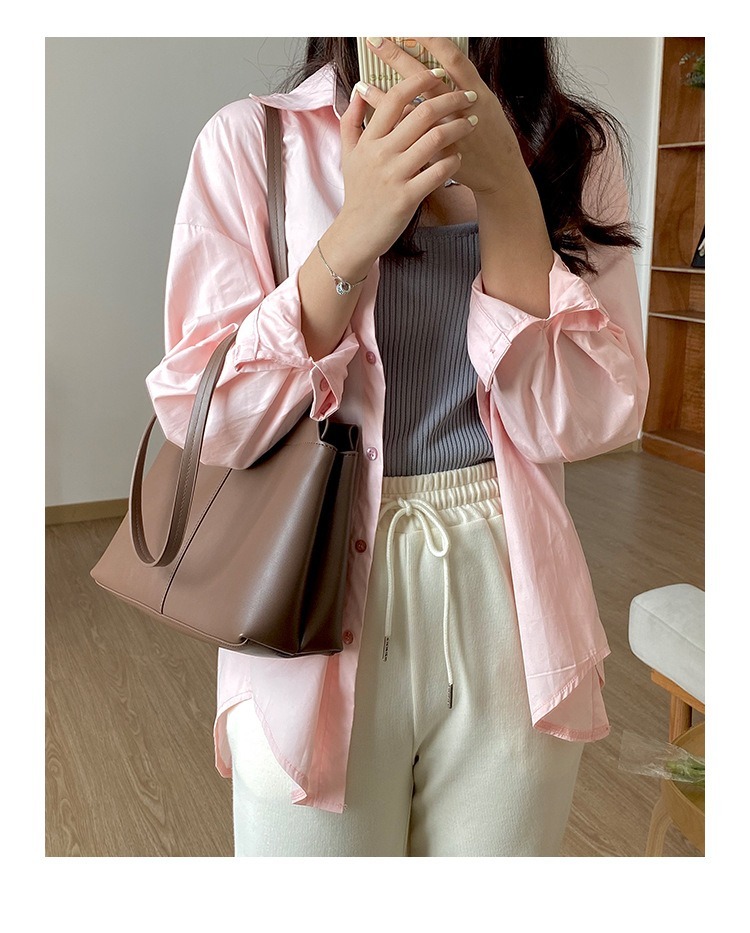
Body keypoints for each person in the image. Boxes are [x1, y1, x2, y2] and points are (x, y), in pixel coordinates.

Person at [145, 37, 649, 857]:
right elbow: (213, 419)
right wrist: (353, 233)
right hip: (308, 580)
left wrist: (507, 188)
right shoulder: (253, 142)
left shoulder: (572, 151)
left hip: (511, 594)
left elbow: (587, 420)